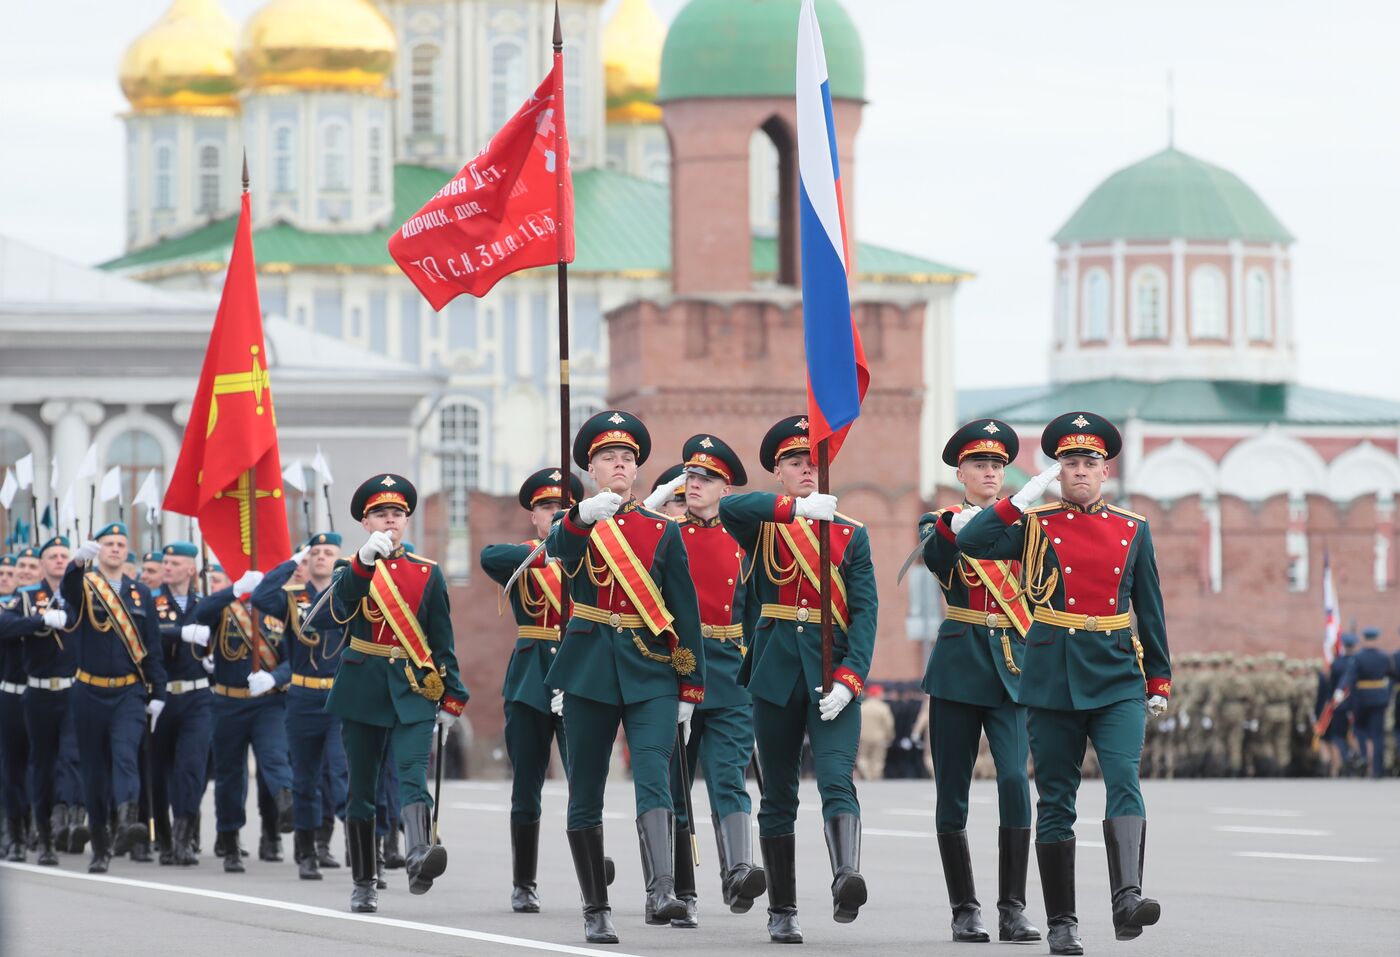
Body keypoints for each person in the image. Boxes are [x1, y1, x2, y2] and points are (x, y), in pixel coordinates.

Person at [958, 412, 1170, 955]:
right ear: (1059, 470)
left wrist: (1159, 676)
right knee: (1056, 800)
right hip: (1053, 672)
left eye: (1089, 463)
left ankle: (1127, 898)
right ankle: (1062, 922)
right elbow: (975, 541)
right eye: (1070, 463)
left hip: (1118, 670)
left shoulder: (1132, 527)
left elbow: (1150, 606)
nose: (1079, 471)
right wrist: (1023, 494)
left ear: (1105, 471)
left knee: (1124, 778)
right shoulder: (1036, 522)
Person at [546, 410, 706, 944]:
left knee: (655, 776)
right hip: (589, 669)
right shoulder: (576, 524)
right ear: (590, 469)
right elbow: (558, 552)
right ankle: (596, 908)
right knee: (585, 790)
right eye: (608, 457)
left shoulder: (660, 529)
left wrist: (690, 685)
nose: (620, 464)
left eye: (628, 458)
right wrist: (580, 517)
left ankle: (662, 889)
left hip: (651, 670)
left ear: (637, 469)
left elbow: (684, 611)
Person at [718, 414, 877, 943]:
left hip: (833, 677)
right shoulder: (764, 524)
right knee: (779, 793)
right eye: (795, 463)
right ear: (779, 474)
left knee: (836, 779)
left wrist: (851, 678)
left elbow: (867, 613)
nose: (807, 470)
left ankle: (845, 877)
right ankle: (782, 910)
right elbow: (729, 505)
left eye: (814, 462)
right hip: (777, 674)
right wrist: (795, 510)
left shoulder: (851, 534)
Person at [918, 418, 1040, 943]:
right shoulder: (940, 521)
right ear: (961, 473)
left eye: (997, 465)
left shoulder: (1028, 527)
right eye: (979, 465)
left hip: (1013, 669)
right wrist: (1013, 507)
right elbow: (945, 553)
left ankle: (1012, 907)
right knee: (953, 792)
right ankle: (963, 907)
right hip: (958, 669)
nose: (989, 472)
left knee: (1015, 781)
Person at [327, 474, 467, 914]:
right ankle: (364, 881)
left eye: (398, 514)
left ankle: (417, 854)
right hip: (363, 685)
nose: (390, 520)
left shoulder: (427, 572)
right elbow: (339, 612)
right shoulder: (347, 569)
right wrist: (363, 565)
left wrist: (451, 697)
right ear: (365, 523)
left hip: (412, 687)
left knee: (411, 774)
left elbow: (442, 639)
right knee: (363, 790)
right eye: (381, 514)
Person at [649, 433, 766, 928]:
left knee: (729, 778)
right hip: (675, 668)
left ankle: (738, 870)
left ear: (727, 488)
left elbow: (758, 608)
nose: (694, 484)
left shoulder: (747, 540)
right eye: (690, 476)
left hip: (729, 669)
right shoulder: (664, 532)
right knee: (675, 788)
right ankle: (679, 891)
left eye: (706, 478)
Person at [480, 466, 584, 913]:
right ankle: (524, 881)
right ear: (534, 517)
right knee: (527, 785)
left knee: (586, 783)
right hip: (531, 679)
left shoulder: (594, 554)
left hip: (580, 673)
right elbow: (490, 557)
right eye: (547, 508)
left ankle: (592, 875)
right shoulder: (526, 555)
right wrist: (550, 550)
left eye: (564, 508)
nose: (556, 514)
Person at [62, 523, 168, 874]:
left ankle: (128, 821)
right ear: (99, 549)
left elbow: (151, 646)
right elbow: (69, 593)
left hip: (128, 691)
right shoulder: (87, 586)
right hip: (89, 690)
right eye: (109, 543)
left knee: (125, 755)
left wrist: (158, 691)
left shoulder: (140, 593)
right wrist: (75, 565)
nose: (116, 549)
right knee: (93, 771)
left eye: (122, 543)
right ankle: (101, 845)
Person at [252, 532, 350, 881]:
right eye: (315, 553)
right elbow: (262, 596)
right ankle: (306, 851)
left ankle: (363, 849)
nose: (321, 558)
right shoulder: (293, 599)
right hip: (303, 697)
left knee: (343, 773)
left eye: (328, 553)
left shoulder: (346, 595)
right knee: (305, 778)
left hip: (340, 698)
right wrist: (292, 561)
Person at [194, 561, 294, 872]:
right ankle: (231, 839)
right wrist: (234, 589)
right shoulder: (226, 606)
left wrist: (275, 678)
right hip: (228, 702)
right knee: (229, 776)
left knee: (275, 757)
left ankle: (287, 805)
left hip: (268, 702)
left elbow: (296, 657)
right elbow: (202, 613)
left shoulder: (278, 609)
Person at [149, 541, 212, 866]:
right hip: (161, 696)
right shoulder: (150, 600)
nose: (168, 566)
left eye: (175, 562)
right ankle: (162, 837)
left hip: (198, 696)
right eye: (166, 561)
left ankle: (184, 838)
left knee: (190, 768)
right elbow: (146, 634)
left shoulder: (205, 603)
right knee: (159, 771)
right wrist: (180, 633)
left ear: (191, 569)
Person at [1337, 628, 1390, 778]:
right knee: (1378, 736)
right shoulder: (1384, 657)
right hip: (1379, 699)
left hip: (1362, 700)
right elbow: (1391, 675)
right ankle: (1378, 770)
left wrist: (1340, 691)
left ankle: (1364, 760)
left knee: (1360, 730)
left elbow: (1349, 676)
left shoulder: (1358, 658)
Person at [856, 685, 894, 781]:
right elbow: (889, 724)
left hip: (863, 736)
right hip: (879, 737)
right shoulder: (883, 707)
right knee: (878, 759)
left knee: (863, 757)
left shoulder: (862, 706)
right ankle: (875, 776)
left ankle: (866, 773)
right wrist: (890, 736)